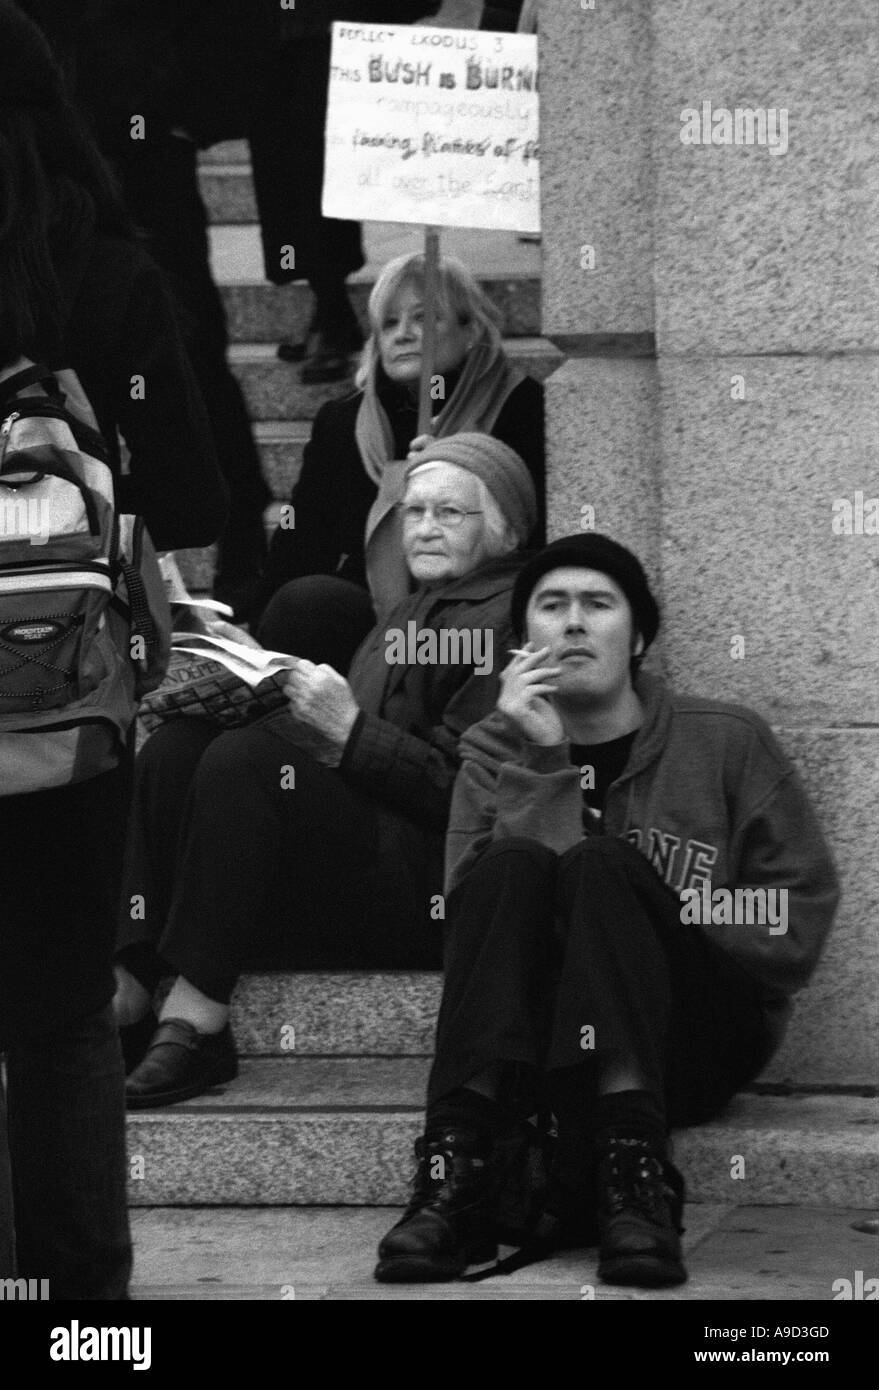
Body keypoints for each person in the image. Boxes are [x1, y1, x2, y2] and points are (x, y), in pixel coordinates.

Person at [375, 533, 839, 1288]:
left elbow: (797, 913)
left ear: (639, 636)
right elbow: (475, 928)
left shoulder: (723, 739)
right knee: (513, 865)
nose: (573, 623)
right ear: (522, 641)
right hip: (535, 1045)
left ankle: (634, 1176)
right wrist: (544, 763)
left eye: (598, 604)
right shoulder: (492, 751)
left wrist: (655, 906)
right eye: (551, 606)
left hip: (692, 1036)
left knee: (601, 865)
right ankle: (452, 1173)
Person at [0, 1, 228, 1300]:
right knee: (62, 1012)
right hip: (62, 709)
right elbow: (195, 509)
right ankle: (81, 1311)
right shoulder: (106, 267)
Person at [114, 435, 538, 1108]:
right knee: (178, 745)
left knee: (246, 760)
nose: (424, 526)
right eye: (413, 510)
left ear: (506, 527)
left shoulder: (512, 619)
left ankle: (197, 1021)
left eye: (450, 513)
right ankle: (132, 982)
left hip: (429, 884)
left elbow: (473, 795)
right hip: (365, 850)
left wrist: (350, 733)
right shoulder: (407, 610)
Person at [21, 0, 273, 618]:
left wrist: (188, 108)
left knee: (187, 359)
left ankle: (244, 546)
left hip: (130, 146)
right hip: (80, 143)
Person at [255, 250, 545, 668]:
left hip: (477, 627)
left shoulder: (523, 408)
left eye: (424, 318)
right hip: (373, 628)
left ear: (470, 332)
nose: (403, 334)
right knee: (306, 604)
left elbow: (535, 544)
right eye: (389, 323)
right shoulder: (343, 421)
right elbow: (299, 540)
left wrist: (459, 474)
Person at [248, 1, 442, 383]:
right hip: (269, 35)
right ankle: (328, 309)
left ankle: (333, 311)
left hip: (329, 34)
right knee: (282, 180)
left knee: (315, 173)